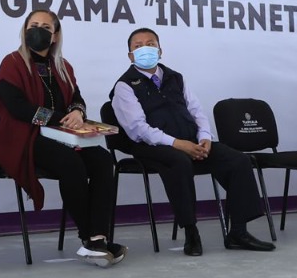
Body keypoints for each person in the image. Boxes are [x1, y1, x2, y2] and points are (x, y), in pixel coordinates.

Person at [111, 28, 275, 254]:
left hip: (190, 141)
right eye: (138, 46)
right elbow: (137, 129)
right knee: (179, 162)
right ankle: (191, 232)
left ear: (160, 50)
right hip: (151, 147)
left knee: (238, 161)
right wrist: (177, 144)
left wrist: (205, 138)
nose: (145, 49)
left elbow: (197, 111)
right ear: (130, 55)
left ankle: (238, 232)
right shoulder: (124, 86)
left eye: (150, 44)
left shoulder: (176, 78)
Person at [0, 10, 124, 267]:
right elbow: (17, 108)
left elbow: (77, 98)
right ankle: (89, 239)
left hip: (61, 135)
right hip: (24, 137)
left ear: (55, 35)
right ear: (24, 29)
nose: (37, 30)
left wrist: (78, 113)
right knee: (70, 163)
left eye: (45, 27)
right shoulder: (12, 62)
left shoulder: (62, 66)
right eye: (33, 25)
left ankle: (99, 236)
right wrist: (61, 118)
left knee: (103, 160)